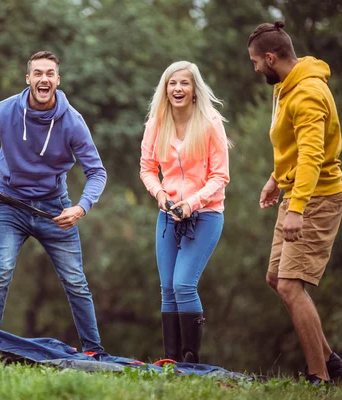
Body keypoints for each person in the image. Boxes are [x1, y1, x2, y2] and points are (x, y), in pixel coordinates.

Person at [0, 51, 107, 356]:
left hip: (55, 209)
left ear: (58, 79)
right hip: (9, 205)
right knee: (1, 272)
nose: (44, 79)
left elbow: (97, 172)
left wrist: (80, 208)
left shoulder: (73, 122)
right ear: (28, 78)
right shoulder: (3, 112)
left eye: (50, 73)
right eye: (38, 73)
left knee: (76, 282)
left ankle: (95, 352)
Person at [248, 21, 342, 384]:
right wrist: (276, 177)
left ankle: (318, 376)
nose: (255, 68)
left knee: (291, 285)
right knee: (276, 278)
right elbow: (293, 146)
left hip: (317, 197)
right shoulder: (285, 87)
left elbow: (313, 156)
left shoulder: (307, 93)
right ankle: (331, 360)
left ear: (271, 58)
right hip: (296, 190)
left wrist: (298, 208)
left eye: (256, 61)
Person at [139, 61, 231, 363]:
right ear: (165, 89)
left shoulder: (210, 122)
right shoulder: (156, 123)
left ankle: (191, 361)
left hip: (205, 215)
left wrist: (191, 203)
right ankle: (171, 361)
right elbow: (147, 169)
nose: (177, 89)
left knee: (183, 284)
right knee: (167, 287)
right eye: (172, 83)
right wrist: (160, 193)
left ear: (194, 90)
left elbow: (220, 176)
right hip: (168, 214)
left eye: (184, 83)